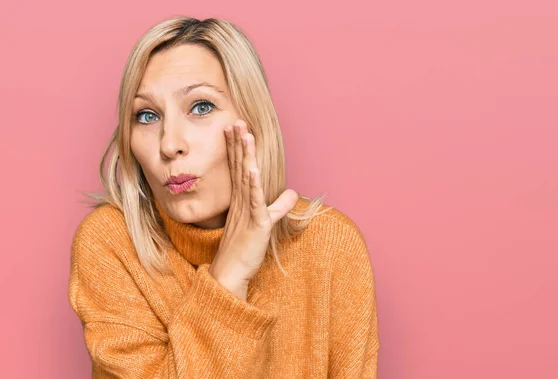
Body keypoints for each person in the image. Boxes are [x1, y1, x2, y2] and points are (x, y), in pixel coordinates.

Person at [67, 15, 379, 378]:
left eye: (201, 107)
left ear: (254, 121)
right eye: (147, 115)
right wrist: (228, 278)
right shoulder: (111, 243)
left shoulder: (329, 245)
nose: (169, 145)